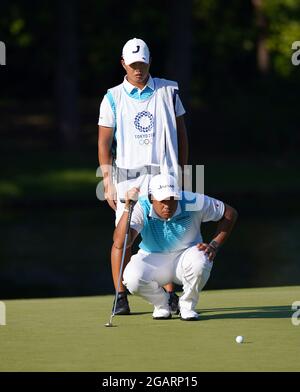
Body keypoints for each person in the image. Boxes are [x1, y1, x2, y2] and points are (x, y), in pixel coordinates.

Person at [98, 38, 189, 314]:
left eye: (143, 63)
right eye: (133, 64)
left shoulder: (168, 91)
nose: (138, 69)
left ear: (150, 62)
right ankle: (120, 295)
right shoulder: (113, 97)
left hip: (165, 175)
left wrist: (182, 173)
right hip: (129, 179)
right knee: (123, 237)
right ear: (123, 64)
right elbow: (104, 143)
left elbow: (182, 136)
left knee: (169, 237)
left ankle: (170, 295)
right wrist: (107, 182)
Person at [113, 174, 238, 320]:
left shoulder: (192, 200)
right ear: (151, 198)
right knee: (131, 278)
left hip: (186, 256)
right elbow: (120, 243)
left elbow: (230, 213)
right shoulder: (141, 206)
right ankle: (162, 303)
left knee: (201, 260)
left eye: (172, 199)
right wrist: (128, 208)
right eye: (163, 201)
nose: (168, 205)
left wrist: (214, 245)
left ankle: (187, 306)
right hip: (153, 259)